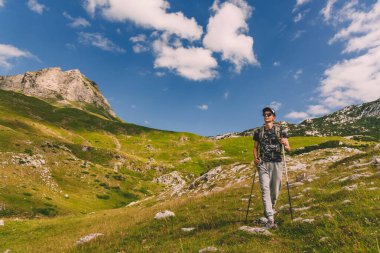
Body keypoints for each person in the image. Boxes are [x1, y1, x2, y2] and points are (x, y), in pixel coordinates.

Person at [253, 107, 291, 228]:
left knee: (275, 189)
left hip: (277, 162)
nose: (266, 116)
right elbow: (255, 147)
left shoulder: (281, 130)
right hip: (263, 163)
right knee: (265, 189)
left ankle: (271, 208)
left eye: (269, 114)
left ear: (273, 117)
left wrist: (285, 144)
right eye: (264, 114)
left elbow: (288, 149)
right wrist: (255, 158)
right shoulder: (258, 131)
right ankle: (270, 217)